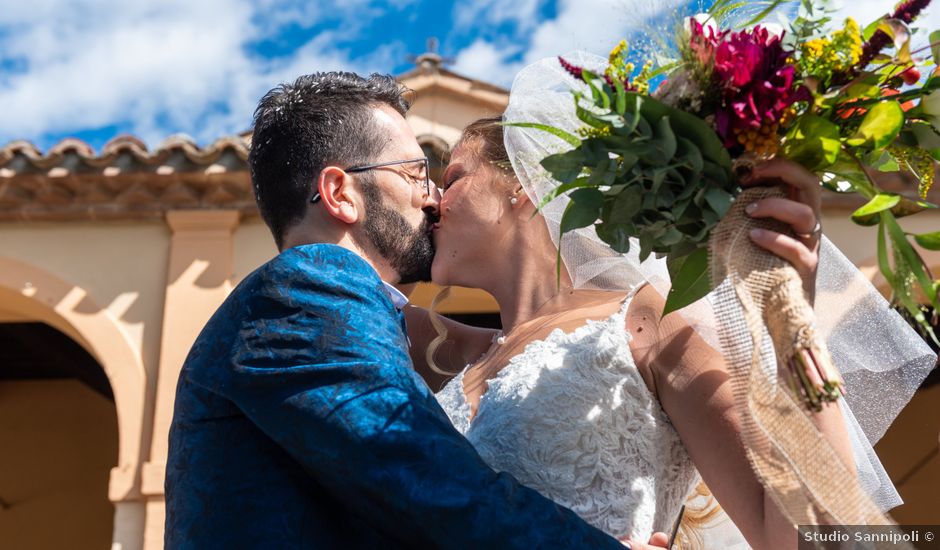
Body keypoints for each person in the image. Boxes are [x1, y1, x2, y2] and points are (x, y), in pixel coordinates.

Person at [404, 57, 934, 548]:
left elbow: (800, 537)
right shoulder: (445, 372)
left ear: (523, 183)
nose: (431, 201)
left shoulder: (640, 322)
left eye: (450, 178)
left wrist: (791, 322)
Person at [163, 71, 668, 549]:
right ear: (341, 194)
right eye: (414, 173)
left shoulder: (333, 307)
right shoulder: (309, 287)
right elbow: (421, 472)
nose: (432, 199)